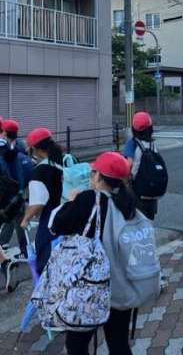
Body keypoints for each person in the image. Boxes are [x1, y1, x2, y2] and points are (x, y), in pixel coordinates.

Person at [49, 151, 137, 355]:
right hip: (121, 285)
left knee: (77, 345)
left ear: (98, 176)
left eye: (93, 172)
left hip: (90, 286)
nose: (91, 177)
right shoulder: (129, 202)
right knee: (119, 343)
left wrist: (71, 201)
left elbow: (55, 226)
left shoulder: (88, 199)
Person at [21, 128, 63, 275]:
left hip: (50, 221)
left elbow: (38, 203)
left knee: (47, 261)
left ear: (35, 149)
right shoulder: (64, 160)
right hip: (69, 216)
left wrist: (26, 219)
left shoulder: (39, 171)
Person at [0, 120, 30, 257]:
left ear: (5, 132)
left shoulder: (6, 148)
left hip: (8, 190)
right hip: (18, 188)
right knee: (17, 217)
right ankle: (8, 244)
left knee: (15, 217)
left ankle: (7, 246)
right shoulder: (19, 145)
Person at [122, 111, 158, 220]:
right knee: (149, 219)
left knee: (137, 219)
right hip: (152, 189)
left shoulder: (132, 143)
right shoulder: (152, 144)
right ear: (150, 127)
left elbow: (128, 165)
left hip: (137, 188)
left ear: (134, 129)